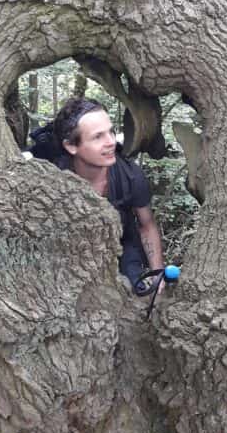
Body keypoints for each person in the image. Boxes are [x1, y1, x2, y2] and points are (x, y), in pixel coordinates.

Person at [52, 97, 164, 296]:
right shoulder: (54, 181)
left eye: (111, 132)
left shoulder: (130, 175)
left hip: (122, 244)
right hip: (72, 249)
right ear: (71, 146)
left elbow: (146, 224)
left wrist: (157, 275)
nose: (111, 142)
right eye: (98, 137)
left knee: (135, 291)